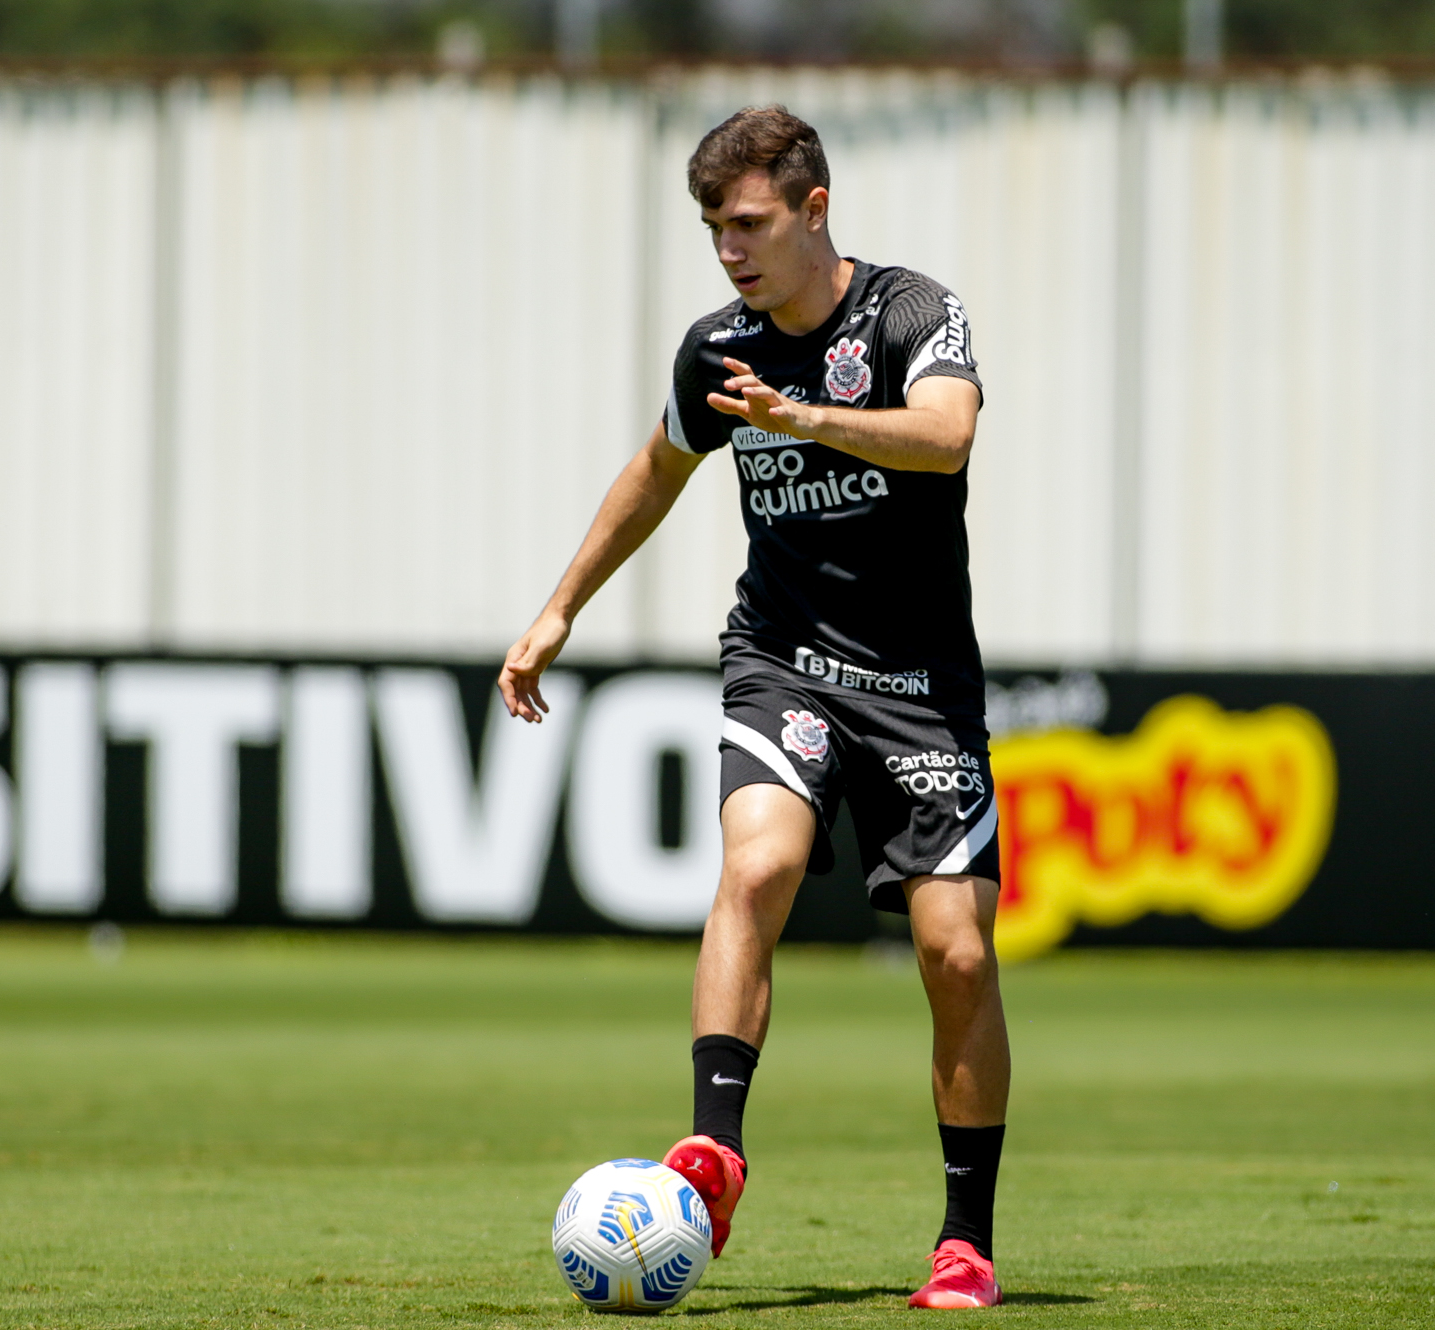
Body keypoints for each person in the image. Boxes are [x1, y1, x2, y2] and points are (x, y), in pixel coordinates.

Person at [497, 105, 1009, 1310]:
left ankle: (964, 1239)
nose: (725, 249)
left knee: (955, 951)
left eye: (744, 223)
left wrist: (805, 420)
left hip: (923, 689)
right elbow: (655, 469)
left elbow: (945, 438)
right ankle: (712, 1155)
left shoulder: (908, 312)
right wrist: (557, 608)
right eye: (709, 227)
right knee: (757, 865)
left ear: (810, 208)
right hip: (781, 658)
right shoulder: (714, 346)